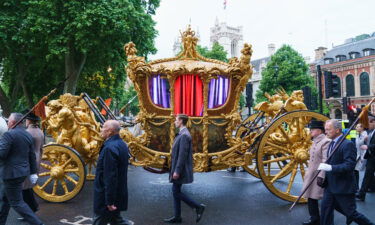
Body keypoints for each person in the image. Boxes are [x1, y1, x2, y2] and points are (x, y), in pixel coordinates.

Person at [318, 119, 374, 225]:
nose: (326, 132)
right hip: (330, 186)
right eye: (325, 129)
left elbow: (349, 166)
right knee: (325, 211)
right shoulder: (331, 143)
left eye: (328, 130)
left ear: (337, 130)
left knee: (351, 213)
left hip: (343, 186)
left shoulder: (347, 144)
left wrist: (330, 168)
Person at [0, 113, 43, 225]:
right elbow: (31, 156)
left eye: (8, 120)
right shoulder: (26, 134)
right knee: (4, 200)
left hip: (11, 174)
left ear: (14, 122)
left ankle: (38, 223)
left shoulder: (8, 135)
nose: (7, 122)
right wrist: (33, 173)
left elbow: (2, 154)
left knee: (17, 203)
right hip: (22, 173)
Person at [164, 114, 205, 224]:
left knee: (175, 192)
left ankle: (197, 207)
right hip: (178, 168)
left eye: (176, 120)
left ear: (181, 121)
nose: (174, 122)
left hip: (179, 170)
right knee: (176, 191)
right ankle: (177, 217)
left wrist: (177, 171)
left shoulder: (184, 135)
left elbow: (182, 155)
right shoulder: (183, 134)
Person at [93, 120, 132, 225]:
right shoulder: (122, 144)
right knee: (116, 220)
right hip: (117, 194)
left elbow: (110, 177)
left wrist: (109, 201)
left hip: (106, 198)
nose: (101, 129)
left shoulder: (110, 148)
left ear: (110, 131)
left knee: (100, 221)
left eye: (103, 127)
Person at [302, 120, 330, 225]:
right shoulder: (315, 141)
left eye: (312, 130)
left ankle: (349, 214)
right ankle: (314, 219)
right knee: (310, 197)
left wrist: (321, 176)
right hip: (311, 174)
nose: (310, 132)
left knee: (317, 198)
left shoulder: (325, 141)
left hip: (318, 175)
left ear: (318, 131)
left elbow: (325, 160)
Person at [20, 112, 44, 215]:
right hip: (37, 159)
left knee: (25, 187)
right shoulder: (40, 131)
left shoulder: (28, 132)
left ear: (28, 121)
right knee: (27, 187)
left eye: (26, 120)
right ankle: (32, 207)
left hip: (29, 161)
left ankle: (31, 209)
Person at [356, 116, 375, 201]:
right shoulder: (371, 132)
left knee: (368, 175)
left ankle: (362, 193)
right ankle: (361, 194)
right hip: (371, 157)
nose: (368, 125)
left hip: (372, 155)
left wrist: (368, 146)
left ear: (374, 122)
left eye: (369, 123)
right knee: (368, 175)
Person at [354, 123, 368, 192]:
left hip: (363, 156)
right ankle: (356, 187)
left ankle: (361, 188)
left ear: (362, 128)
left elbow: (366, 146)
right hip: (358, 155)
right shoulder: (358, 134)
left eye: (357, 127)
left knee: (363, 172)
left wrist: (363, 158)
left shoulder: (365, 135)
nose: (356, 128)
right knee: (355, 171)